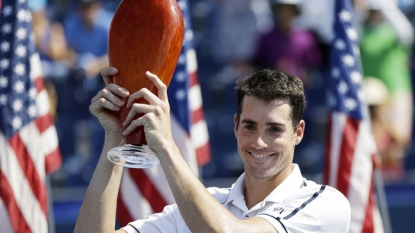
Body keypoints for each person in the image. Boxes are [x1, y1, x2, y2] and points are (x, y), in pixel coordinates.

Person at [74, 67, 351, 232]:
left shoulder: (326, 203)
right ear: (235, 126)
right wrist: (116, 137)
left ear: (298, 132)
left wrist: (166, 144)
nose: (259, 142)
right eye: (250, 126)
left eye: (275, 129)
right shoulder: (203, 205)